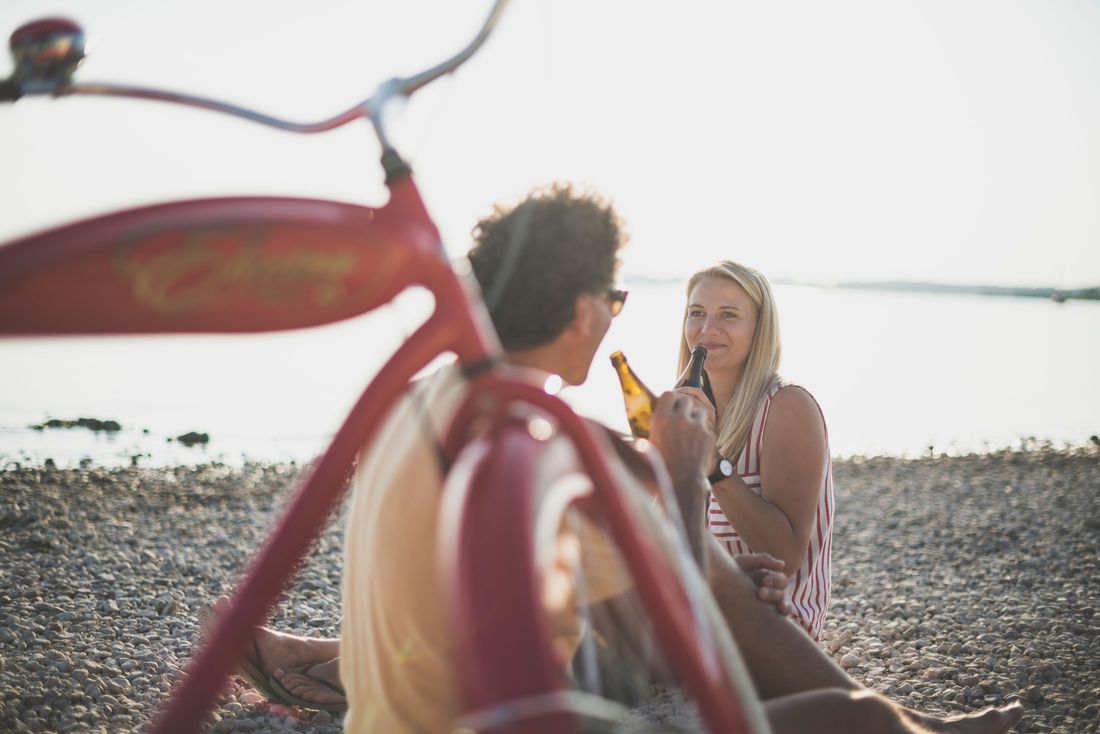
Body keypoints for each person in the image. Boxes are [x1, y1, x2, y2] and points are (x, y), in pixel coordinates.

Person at [213, 183, 1022, 733]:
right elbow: (696, 601)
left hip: (420, 710)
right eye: (616, 299)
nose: (618, 321)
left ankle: (325, 668)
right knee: (868, 723)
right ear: (580, 310)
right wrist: (681, 477)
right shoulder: (546, 437)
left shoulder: (426, 396)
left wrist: (718, 561)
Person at [675, 261, 834, 639]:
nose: (707, 328)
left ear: (759, 329)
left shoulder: (787, 407)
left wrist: (712, 462)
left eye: (728, 315)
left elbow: (787, 555)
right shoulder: (686, 409)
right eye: (697, 313)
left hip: (774, 623)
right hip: (701, 605)